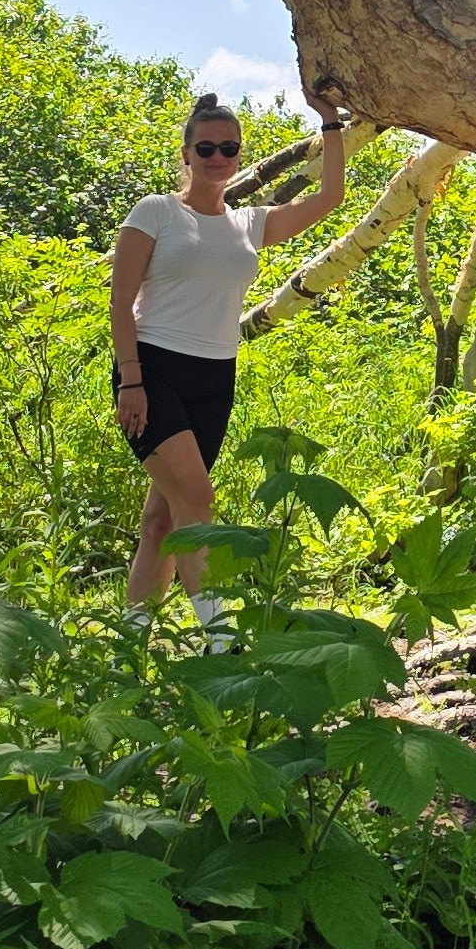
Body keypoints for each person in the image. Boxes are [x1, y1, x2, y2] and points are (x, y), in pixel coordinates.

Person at [110, 88, 348, 617]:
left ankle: (130, 641)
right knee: (197, 502)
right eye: (206, 148)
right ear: (187, 153)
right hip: (153, 369)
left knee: (164, 518)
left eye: (228, 148)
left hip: (216, 377)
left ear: (239, 153)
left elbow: (330, 197)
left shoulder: (250, 224)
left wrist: (329, 122)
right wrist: (131, 379)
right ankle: (221, 638)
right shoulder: (155, 212)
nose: (218, 158)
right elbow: (121, 301)